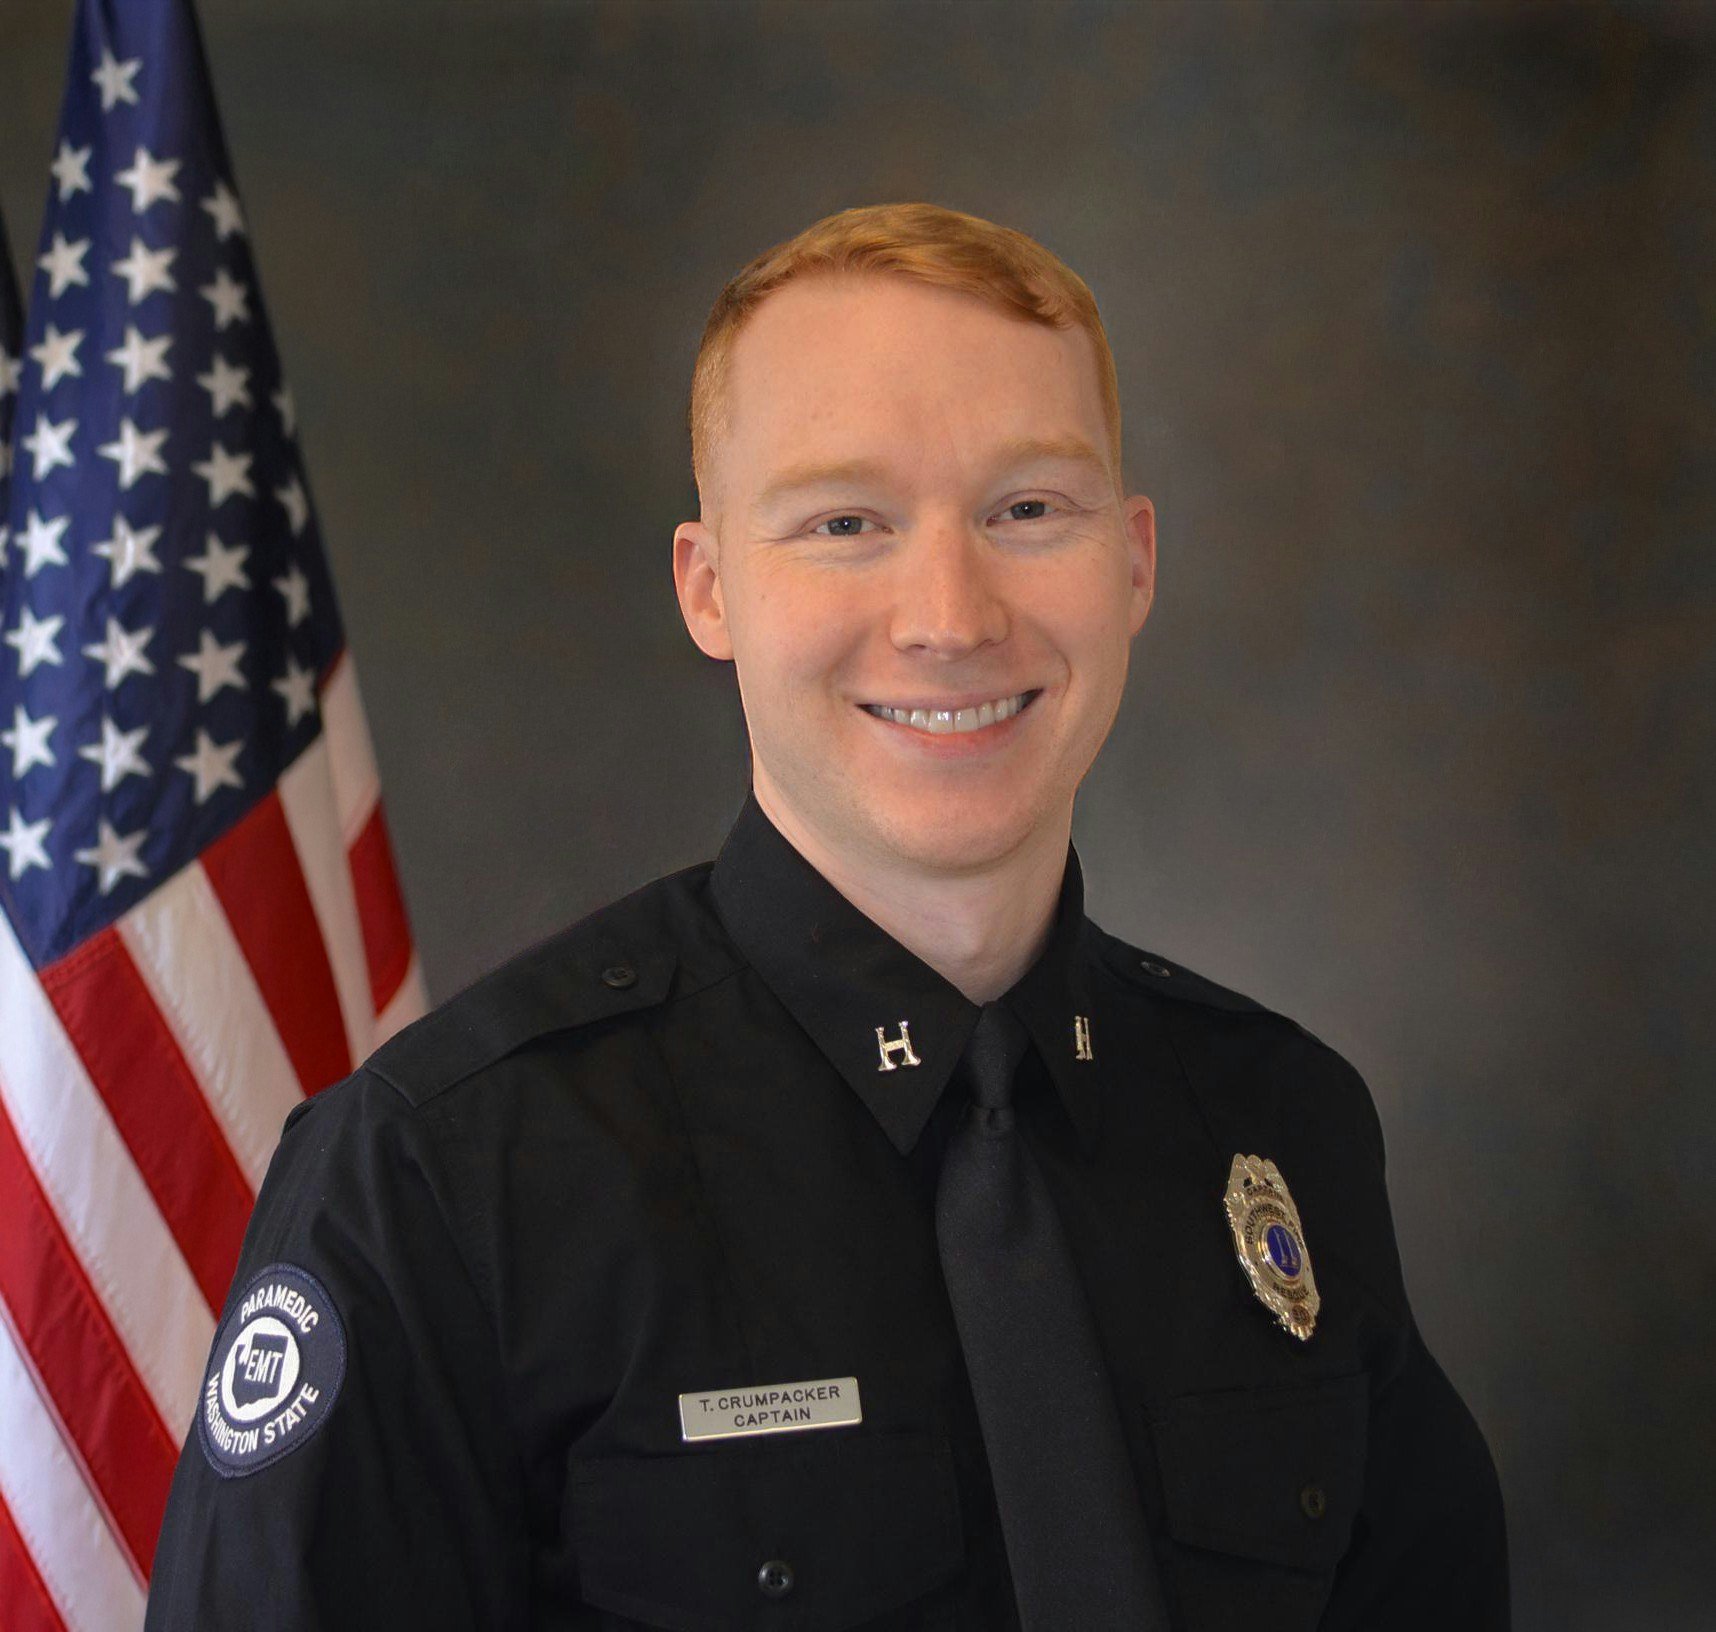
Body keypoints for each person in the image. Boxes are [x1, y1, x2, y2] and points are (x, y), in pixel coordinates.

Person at [145, 202, 1508, 1630]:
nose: (950, 615)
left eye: (1029, 508)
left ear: (1135, 561)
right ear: (709, 586)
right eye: (845, 522)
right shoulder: (447, 1172)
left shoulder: (1285, 1124)